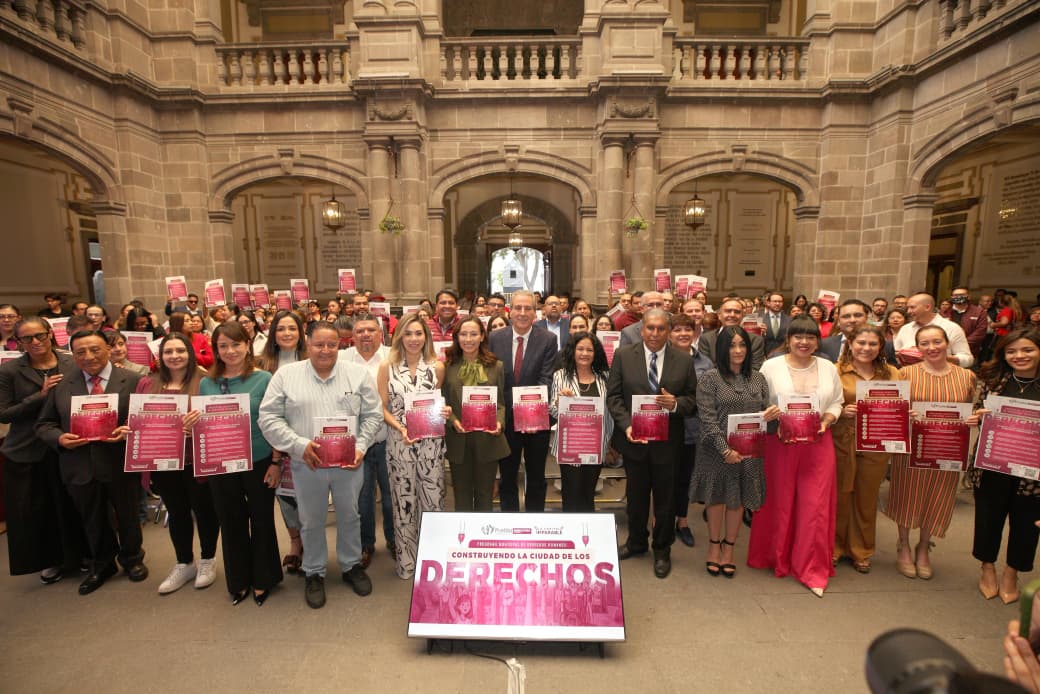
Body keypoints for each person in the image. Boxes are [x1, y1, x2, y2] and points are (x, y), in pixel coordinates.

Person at [259, 321, 381, 609]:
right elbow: (268, 418)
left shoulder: (357, 375)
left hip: (348, 464)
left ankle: (351, 565)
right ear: (308, 343)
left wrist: (361, 447)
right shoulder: (286, 376)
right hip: (307, 463)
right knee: (311, 519)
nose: (325, 350)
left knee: (350, 514)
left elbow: (373, 416)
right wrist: (299, 445)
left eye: (332, 344)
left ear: (340, 344)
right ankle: (314, 571)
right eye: (319, 344)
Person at [35, 329, 148, 595]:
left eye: (95, 349)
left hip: (119, 460)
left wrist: (128, 429)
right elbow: (44, 424)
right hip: (79, 463)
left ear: (108, 349)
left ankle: (132, 559)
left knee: (129, 514)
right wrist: (60, 439)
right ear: (72, 355)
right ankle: (103, 563)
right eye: (80, 352)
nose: (88, 356)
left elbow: (145, 418)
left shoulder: (132, 380)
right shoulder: (61, 383)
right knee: (92, 518)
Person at [748, 317, 843, 597]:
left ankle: (811, 566)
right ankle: (777, 556)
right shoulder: (771, 365)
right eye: (798, 336)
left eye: (810, 337)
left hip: (818, 443)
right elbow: (759, 398)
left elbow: (837, 400)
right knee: (780, 502)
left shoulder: (828, 367)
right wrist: (768, 412)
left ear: (818, 340)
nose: (804, 342)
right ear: (788, 339)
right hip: (780, 443)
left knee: (815, 506)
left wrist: (828, 419)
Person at [607, 309, 698, 579]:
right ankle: (636, 541)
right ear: (641, 329)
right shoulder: (624, 356)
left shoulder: (683, 360)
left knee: (665, 500)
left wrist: (676, 404)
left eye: (661, 328)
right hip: (634, 440)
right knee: (635, 498)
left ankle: (662, 548)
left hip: (668, 444)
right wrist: (628, 425)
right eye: (650, 328)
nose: (655, 334)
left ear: (668, 331)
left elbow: (692, 400)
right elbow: (614, 397)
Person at [196, 321, 282, 605]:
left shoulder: (264, 379)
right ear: (216, 350)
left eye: (236, 344)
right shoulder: (206, 383)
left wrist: (276, 462)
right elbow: (204, 423)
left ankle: (263, 578)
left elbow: (275, 422)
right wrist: (191, 426)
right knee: (230, 521)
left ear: (248, 345)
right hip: (221, 463)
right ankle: (239, 580)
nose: (231, 351)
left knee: (261, 520)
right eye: (223, 346)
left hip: (259, 459)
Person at [885, 325, 979, 580]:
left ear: (947, 343)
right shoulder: (905, 374)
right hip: (912, 447)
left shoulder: (966, 377)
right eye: (924, 343)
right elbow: (893, 410)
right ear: (918, 348)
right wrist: (904, 415)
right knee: (907, 494)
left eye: (936, 341)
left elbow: (972, 409)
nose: (931, 348)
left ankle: (924, 546)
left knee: (938, 495)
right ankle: (903, 544)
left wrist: (972, 420)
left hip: (948, 448)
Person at [0, 317, 84, 583]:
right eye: (27, 338)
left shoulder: (71, 361)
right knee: (38, 509)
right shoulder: (10, 371)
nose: (35, 342)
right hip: (28, 450)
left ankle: (80, 554)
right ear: (19, 342)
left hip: (67, 444)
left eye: (39, 335)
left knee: (72, 503)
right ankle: (49, 560)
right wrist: (40, 396)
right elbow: (4, 414)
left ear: (50, 334)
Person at [137, 332, 220, 594]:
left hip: (197, 459)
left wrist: (197, 426)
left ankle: (208, 559)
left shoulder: (206, 381)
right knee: (177, 511)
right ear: (160, 356)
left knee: (204, 510)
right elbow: (139, 418)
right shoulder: (147, 385)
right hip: (164, 461)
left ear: (191, 353)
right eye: (168, 351)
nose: (175, 356)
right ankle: (184, 562)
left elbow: (219, 419)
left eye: (180, 351)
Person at [692, 326, 776, 578]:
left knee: (738, 499)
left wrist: (771, 417)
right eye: (732, 345)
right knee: (717, 499)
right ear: (722, 349)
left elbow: (763, 420)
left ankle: (729, 550)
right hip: (716, 452)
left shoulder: (758, 379)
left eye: (742, 345)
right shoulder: (710, 378)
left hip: (749, 452)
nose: (738, 350)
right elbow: (707, 419)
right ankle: (713, 547)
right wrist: (725, 450)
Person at [377, 313, 449, 579]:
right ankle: (408, 563)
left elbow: (433, 404)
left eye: (419, 333)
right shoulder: (387, 366)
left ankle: (434, 561)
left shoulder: (437, 367)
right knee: (403, 504)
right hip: (399, 445)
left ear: (426, 337)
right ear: (399, 337)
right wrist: (401, 429)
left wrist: (443, 412)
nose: (414, 339)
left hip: (431, 446)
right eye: (408, 333)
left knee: (433, 503)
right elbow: (382, 407)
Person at [972, 328, 1040, 603]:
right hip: (993, 462)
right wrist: (980, 415)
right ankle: (987, 567)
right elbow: (978, 412)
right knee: (989, 516)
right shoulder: (995, 380)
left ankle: (1012, 571)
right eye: (1011, 351)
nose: (1019, 356)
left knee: (1026, 522)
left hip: (1033, 471)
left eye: (1027, 350)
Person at [831, 325, 901, 573]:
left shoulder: (892, 373)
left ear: (881, 347)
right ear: (850, 343)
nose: (866, 348)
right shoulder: (836, 371)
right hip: (842, 441)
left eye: (872, 344)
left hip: (876, 444)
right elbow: (825, 402)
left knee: (866, 497)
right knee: (840, 495)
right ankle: (835, 547)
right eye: (861, 342)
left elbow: (899, 406)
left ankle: (861, 550)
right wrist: (841, 410)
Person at [488, 290, 558, 513]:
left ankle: (535, 521)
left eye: (528, 308)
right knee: (508, 476)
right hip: (505, 421)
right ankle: (510, 522)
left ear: (535, 312)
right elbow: (492, 380)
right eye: (518, 308)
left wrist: (528, 414)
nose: (522, 312)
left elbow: (547, 378)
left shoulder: (548, 339)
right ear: (510, 311)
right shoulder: (495, 338)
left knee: (536, 475)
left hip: (536, 421)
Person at [339, 316, 395, 568]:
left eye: (371, 330)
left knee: (391, 495)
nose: (365, 334)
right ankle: (365, 544)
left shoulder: (393, 357)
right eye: (360, 330)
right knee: (361, 499)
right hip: (355, 443)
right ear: (352, 336)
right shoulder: (341, 360)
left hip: (388, 438)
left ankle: (395, 541)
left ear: (380, 334)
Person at [255, 309, 306, 576]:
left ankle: (311, 540)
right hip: (273, 443)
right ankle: (295, 542)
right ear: (273, 334)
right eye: (281, 329)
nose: (287, 333)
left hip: (305, 440)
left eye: (292, 329)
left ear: (301, 334)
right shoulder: (262, 366)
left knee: (308, 495)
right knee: (284, 495)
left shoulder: (312, 360)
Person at [441, 316, 510, 512]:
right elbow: (443, 400)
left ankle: (482, 538)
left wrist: (499, 423)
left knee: (484, 496)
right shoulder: (447, 367)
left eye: (473, 334)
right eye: (463, 334)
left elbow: (501, 404)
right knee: (461, 496)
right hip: (458, 438)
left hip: (487, 439)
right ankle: (463, 540)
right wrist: (452, 420)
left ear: (482, 337)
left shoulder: (496, 366)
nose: (468, 339)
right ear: (457, 337)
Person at [550, 331, 612, 512]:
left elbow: (609, 413)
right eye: (580, 349)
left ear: (596, 353)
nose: (584, 354)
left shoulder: (605, 377)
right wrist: (559, 402)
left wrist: (608, 443)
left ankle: (587, 531)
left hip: (595, 445)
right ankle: (572, 534)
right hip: (570, 446)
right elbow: (553, 410)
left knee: (588, 493)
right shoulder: (560, 376)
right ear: (573, 351)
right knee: (570, 493)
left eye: (589, 350)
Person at [669, 313, 715, 547]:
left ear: (695, 333)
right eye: (677, 330)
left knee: (685, 478)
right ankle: (663, 521)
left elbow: (708, 396)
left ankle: (683, 521)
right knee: (665, 478)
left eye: (687, 329)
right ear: (670, 334)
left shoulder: (705, 363)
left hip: (693, 430)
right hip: (666, 429)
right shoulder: (661, 359)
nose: (683, 334)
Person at [894, 293, 974, 368]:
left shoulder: (952, 328)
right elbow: (896, 353)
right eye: (908, 308)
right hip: (908, 376)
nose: (908, 311)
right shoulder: (905, 328)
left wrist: (941, 358)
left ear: (927, 307)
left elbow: (968, 359)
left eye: (912, 307)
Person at [699, 297, 766, 370]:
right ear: (719, 315)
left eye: (737, 312)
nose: (732, 315)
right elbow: (706, 368)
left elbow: (754, 369)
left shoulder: (755, 340)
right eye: (728, 311)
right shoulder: (706, 339)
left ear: (743, 316)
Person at [947, 287, 989, 361]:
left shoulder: (979, 312)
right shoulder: (945, 311)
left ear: (968, 296)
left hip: (970, 352)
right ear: (951, 297)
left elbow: (980, 332)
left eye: (962, 295)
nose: (958, 297)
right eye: (955, 295)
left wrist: (961, 344)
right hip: (947, 353)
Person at [762, 291, 790, 356]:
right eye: (775, 301)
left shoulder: (790, 320)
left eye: (780, 301)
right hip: (765, 355)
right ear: (768, 303)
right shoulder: (761, 319)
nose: (777, 304)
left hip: (784, 356)